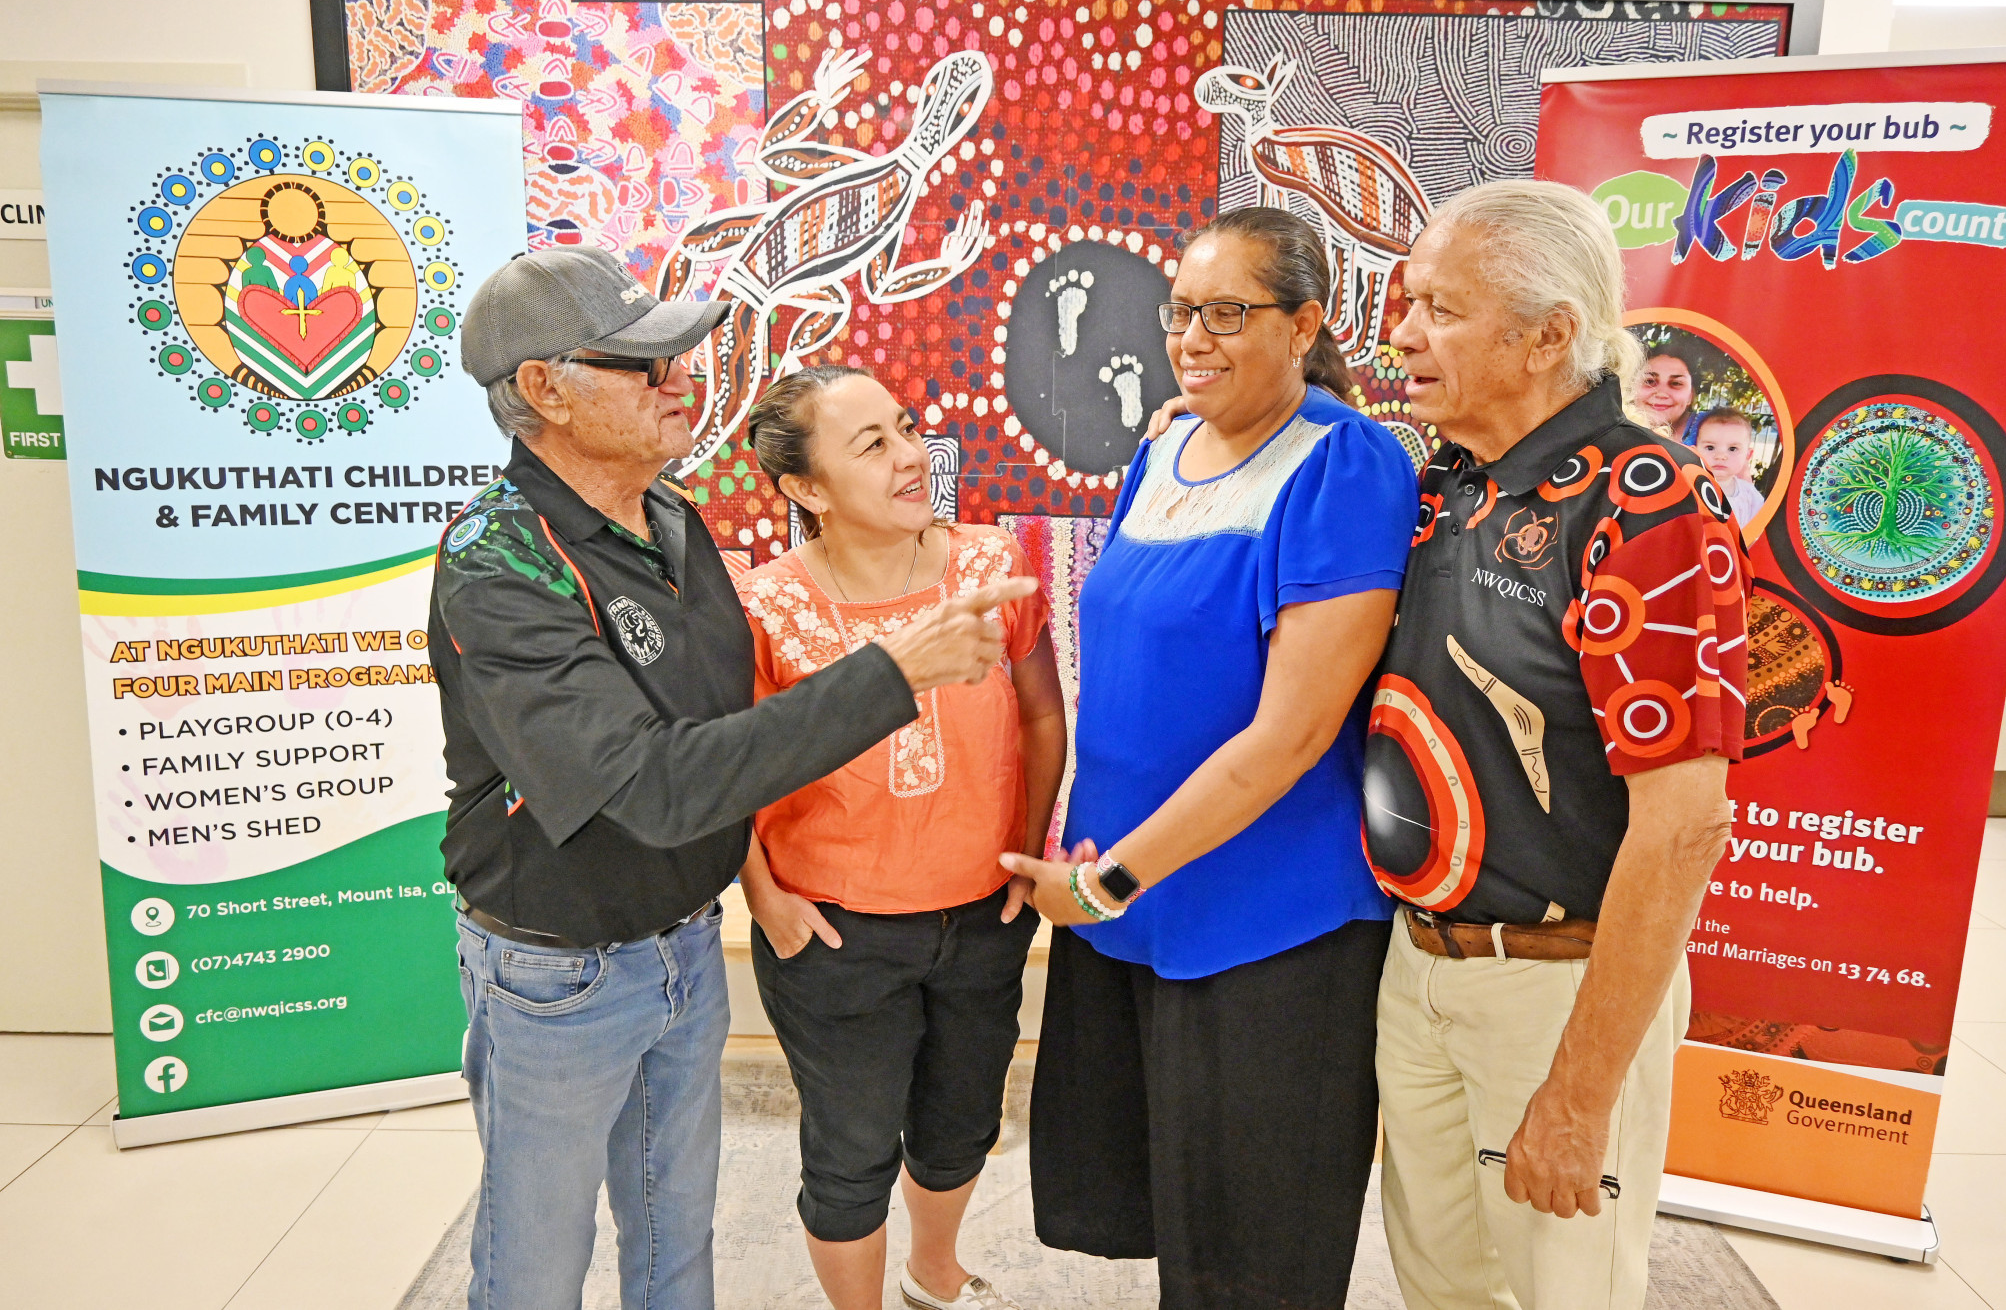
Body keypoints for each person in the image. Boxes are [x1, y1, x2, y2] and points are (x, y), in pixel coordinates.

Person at [430, 245, 1035, 1310]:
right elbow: (654, 783)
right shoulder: (499, 559)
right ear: (543, 389)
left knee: (673, 1237)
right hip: (557, 973)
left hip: (678, 952)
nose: (682, 382)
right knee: (537, 1255)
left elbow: (730, 729)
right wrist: (889, 673)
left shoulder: (670, 521)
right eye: (644, 365)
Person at [999, 206, 1415, 1310]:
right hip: (1138, 901)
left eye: (1228, 313)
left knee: (1254, 1250)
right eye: (1182, 311)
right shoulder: (1166, 446)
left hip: (1264, 916)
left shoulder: (1343, 464)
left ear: (1304, 323)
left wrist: (1106, 876)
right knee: (1179, 1221)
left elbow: (1289, 733)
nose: (1193, 337)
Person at [1366, 180, 1749, 1310]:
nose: (1402, 332)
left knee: (1560, 1291)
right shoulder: (1445, 481)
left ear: (1546, 338)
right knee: (1440, 1284)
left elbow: (1684, 829)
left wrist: (1581, 1091)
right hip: (1419, 964)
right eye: (1406, 302)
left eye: (1437, 306)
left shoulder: (1650, 503)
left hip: (1558, 983)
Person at [733, 365, 1067, 1310]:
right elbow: (729, 769)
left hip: (982, 913)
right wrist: (767, 897)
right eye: (872, 444)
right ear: (805, 488)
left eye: (909, 428)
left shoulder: (990, 566)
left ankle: (935, 1272)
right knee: (850, 1152)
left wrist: (1027, 850)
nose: (912, 456)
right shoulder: (765, 607)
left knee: (961, 1124)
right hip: (832, 932)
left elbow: (1042, 716)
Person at [1693, 405, 1766, 526]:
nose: (1720, 456)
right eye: (1710, 447)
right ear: (1695, 451)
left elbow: (1759, 530)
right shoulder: (1690, 488)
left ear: (1748, 455)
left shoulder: (1750, 496)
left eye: (1732, 449)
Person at [1630, 342, 1703, 441]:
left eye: (1676, 383)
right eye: (1649, 381)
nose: (1661, 394)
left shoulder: (1714, 432)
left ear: (1691, 395)